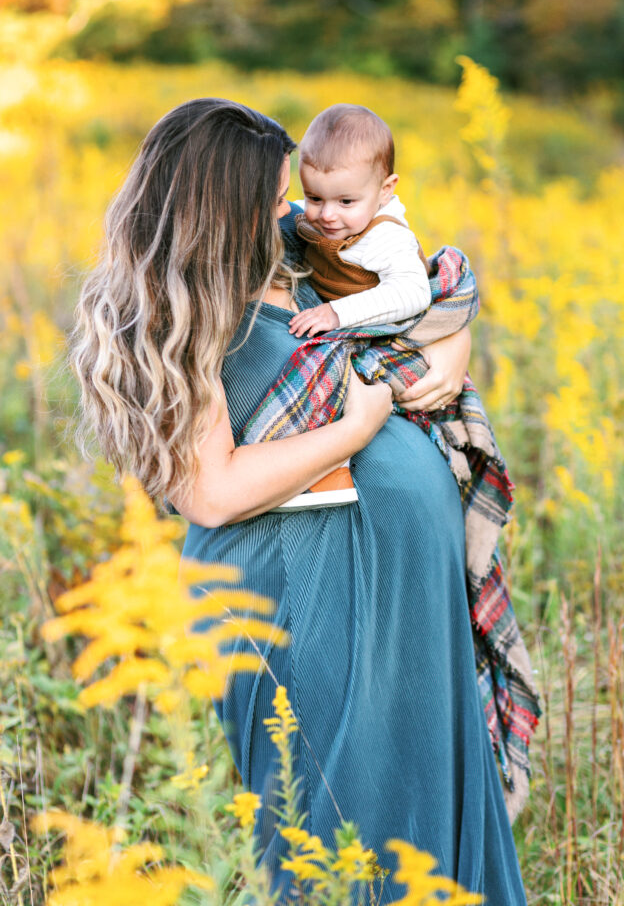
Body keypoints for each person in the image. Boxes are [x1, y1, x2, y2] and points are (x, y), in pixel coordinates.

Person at [71, 98, 527, 904]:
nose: (295, 211)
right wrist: (353, 432)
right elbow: (208, 493)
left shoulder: (295, 257)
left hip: (398, 595)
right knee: (328, 833)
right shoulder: (184, 316)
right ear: (223, 206)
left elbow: (417, 297)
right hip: (297, 596)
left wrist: (451, 348)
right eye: (275, 198)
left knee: (415, 813)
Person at [288, 103, 432, 339]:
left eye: (345, 202)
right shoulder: (317, 214)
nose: (326, 215)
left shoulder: (385, 237)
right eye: (314, 197)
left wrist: (336, 313)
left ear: (384, 190)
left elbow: (414, 292)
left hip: (380, 331)